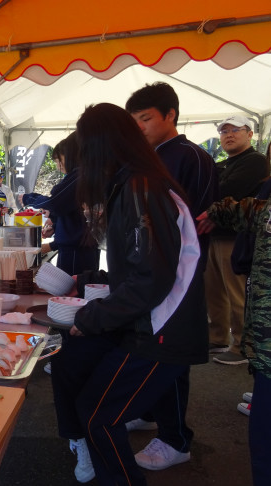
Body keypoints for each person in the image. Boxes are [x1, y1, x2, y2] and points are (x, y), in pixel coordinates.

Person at [50, 103, 207, 486]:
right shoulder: (133, 182)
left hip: (161, 330)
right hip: (149, 320)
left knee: (98, 413)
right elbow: (138, 267)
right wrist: (87, 280)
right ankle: (82, 445)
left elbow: (151, 279)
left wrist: (90, 317)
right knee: (69, 360)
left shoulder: (141, 188)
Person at [124, 81, 219, 470]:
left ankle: (176, 438)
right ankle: (149, 412)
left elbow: (198, 220)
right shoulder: (148, 158)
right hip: (150, 270)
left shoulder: (191, 157)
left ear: (170, 115)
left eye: (146, 119)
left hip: (178, 273)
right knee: (149, 346)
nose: (140, 128)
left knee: (170, 351)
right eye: (135, 121)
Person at [196, 169, 271, 485]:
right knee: (263, 443)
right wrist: (215, 211)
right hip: (265, 353)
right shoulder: (265, 206)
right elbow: (249, 211)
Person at [205, 115, 269, 365]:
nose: (229, 135)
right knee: (213, 290)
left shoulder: (255, 161)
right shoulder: (221, 164)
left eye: (235, 130)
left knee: (236, 292)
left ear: (250, 134)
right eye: (224, 131)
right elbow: (208, 191)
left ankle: (241, 344)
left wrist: (212, 201)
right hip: (213, 234)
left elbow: (222, 192)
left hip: (236, 237)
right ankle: (217, 336)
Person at [21, 133, 100, 275]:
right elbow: (71, 212)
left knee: (72, 291)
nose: (58, 166)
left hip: (77, 251)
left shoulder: (79, 176)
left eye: (59, 160)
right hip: (79, 249)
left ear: (70, 155)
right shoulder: (84, 175)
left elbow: (54, 202)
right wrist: (56, 224)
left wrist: (29, 199)